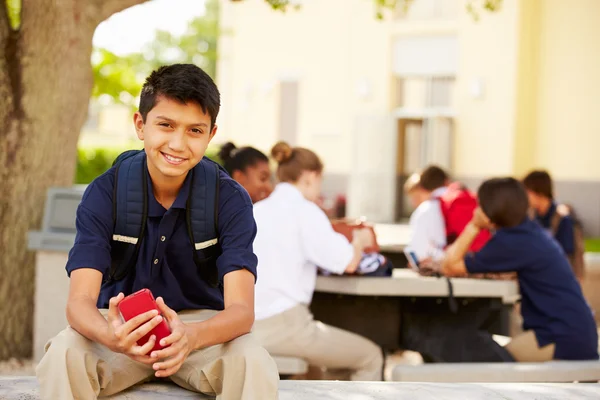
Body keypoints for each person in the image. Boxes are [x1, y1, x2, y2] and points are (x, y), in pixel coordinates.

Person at [36, 64, 279, 400]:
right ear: (141, 125)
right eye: (166, 125)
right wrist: (112, 336)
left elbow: (242, 312)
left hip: (201, 332)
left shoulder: (230, 198)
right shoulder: (106, 192)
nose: (178, 143)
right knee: (63, 352)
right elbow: (78, 303)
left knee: (253, 360)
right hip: (120, 328)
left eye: (195, 131)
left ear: (211, 134)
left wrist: (191, 337)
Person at [251, 141, 384, 381]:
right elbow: (348, 263)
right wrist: (359, 240)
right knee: (370, 357)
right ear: (310, 176)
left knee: (324, 367)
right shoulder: (305, 211)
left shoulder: (256, 210)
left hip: (248, 325)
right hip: (285, 324)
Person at [437, 177, 598, 361]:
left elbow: (449, 266)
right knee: (491, 352)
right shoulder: (529, 232)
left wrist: (474, 225)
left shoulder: (513, 240)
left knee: (488, 361)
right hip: (577, 333)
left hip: (561, 338)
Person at [522, 170, 585, 280]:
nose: (525, 197)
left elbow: (566, 252)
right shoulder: (532, 216)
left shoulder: (562, 218)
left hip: (558, 278)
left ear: (538, 192)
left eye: (527, 192)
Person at [404, 166, 449, 262]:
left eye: (416, 197)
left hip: (438, 264)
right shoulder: (456, 203)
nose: (413, 203)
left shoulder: (425, 209)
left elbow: (419, 251)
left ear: (423, 189)